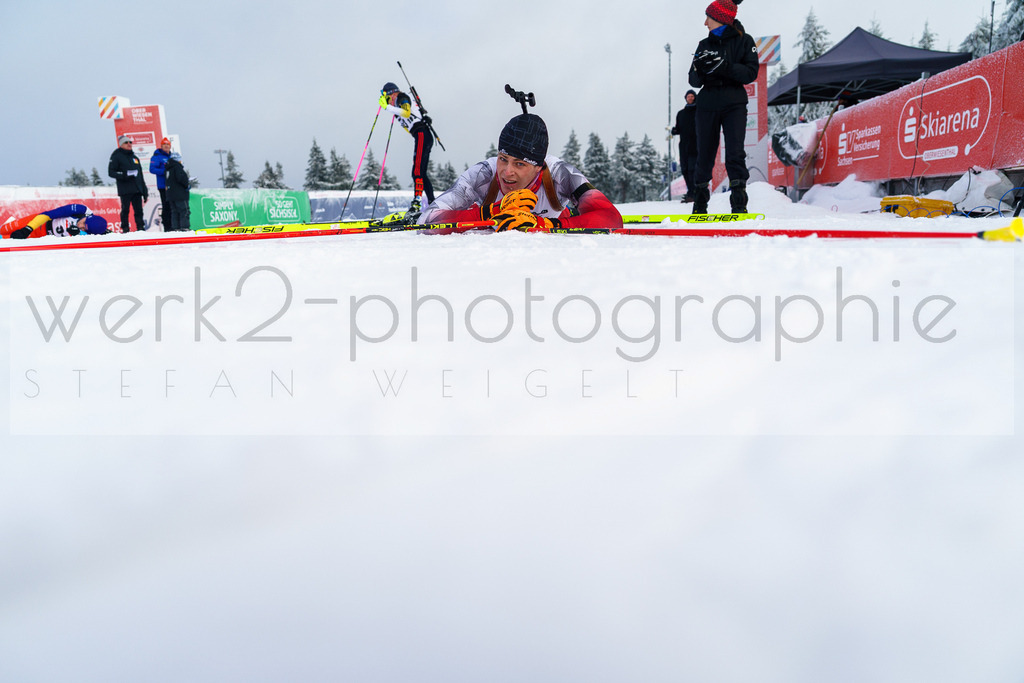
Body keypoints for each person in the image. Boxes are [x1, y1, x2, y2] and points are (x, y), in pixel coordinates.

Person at [418, 112, 622, 232]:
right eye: (503, 159)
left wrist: (545, 224)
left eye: (520, 164)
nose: (507, 172)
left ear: (539, 167)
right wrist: (491, 212)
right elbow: (426, 220)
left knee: (567, 211)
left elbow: (612, 218)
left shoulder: (559, 173)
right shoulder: (483, 174)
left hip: (553, 224)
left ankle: (568, 212)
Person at [688, 0, 758, 214]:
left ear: (720, 19)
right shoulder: (703, 44)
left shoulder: (745, 41)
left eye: (708, 17)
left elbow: (750, 73)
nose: (705, 23)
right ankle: (699, 204)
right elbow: (693, 80)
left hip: (734, 103)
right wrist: (701, 70)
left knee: (735, 152)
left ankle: (739, 204)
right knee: (705, 154)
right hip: (707, 103)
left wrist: (725, 66)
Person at [380, 82, 434, 214]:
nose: (388, 101)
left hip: (422, 133)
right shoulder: (396, 105)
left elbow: (406, 112)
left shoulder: (402, 97)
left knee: (416, 171)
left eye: (387, 98)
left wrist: (387, 108)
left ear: (392, 94)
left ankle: (416, 204)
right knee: (421, 172)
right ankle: (433, 203)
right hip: (421, 135)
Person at [108, 134, 149, 232]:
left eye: (130, 142)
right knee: (125, 210)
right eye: (126, 142)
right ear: (121, 144)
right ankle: (125, 228)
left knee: (139, 211)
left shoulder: (134, 157)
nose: (129, 144)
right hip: (125, 189)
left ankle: (140, 228)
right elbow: (111, 172)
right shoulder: (116, 156)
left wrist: (144, 191)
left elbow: (140, 176)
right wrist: (125, 174)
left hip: (137, 189)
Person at [1, 204, 108, 239]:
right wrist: (28, 228)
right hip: (39, 222)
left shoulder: (90, 232)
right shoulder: (80, 210)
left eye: (84, 229)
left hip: (43, 236)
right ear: (87, 217)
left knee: (6, 240)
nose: (81, 226)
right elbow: (47, 214)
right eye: (83, 223)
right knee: (4, 230)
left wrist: (79, 234)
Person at [671, 89, 699, 202]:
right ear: (686, 98)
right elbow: (679, 128)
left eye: (692, 96)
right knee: (685, 169)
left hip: (696, 145)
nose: (690, 98)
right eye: (688, 96)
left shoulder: (699, 112)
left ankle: (695, 192)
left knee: (693, 169)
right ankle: (690, 191)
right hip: (684, 146)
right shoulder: (681, 114)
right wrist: (675, 131)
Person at [149, 137, 173, 230]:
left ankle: (173, 225)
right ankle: (167, 226)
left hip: (173, 186)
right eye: (164, 145)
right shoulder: (157, 156)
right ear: (161, 146)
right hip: (163, 185)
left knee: (172, 206)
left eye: (168, 145)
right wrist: (164, 171)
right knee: (166, 205)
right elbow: (152, 169)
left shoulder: (172, 156)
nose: (166, 146)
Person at [165, 152, 191, 231]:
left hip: (170, 194)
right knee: (184, 210)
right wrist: (186, 184)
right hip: (180, 194)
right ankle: (184, 227)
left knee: (174, 211)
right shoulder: (177, 167)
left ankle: (176, 227)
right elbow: (180, 178)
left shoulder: (167, 168)